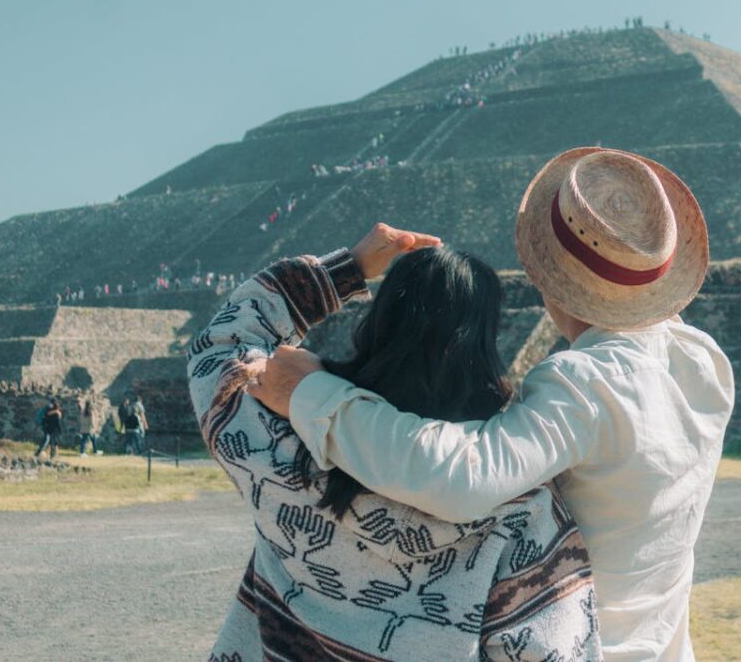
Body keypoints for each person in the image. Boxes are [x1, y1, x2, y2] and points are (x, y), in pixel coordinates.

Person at [252, 148, 734, 661]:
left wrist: (312, 393)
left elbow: (465, 478)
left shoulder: (583, 383)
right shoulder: (702, 362)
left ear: (547, 277)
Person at [189, 230, 601, 661]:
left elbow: (220, 346)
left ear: (378, 324)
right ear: (483, 347)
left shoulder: (283, 448)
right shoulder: (520, 510)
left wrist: (347, 268)